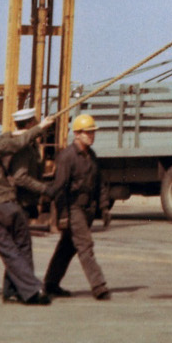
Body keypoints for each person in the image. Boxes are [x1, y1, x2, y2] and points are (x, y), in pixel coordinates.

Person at [0, 113, 50, 305]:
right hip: (4, 205)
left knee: (8, 250)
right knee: (20, 247)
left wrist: (16, 132)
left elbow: (2, 140)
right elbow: (15, 145)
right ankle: (32, 290)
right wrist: (39, 128)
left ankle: (11, 291)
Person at [44, 113, 109, 300]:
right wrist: (63, 216)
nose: (91, 135)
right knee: (85, 244)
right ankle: (99, 286)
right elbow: (60, 188)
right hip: (73, 208)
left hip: (88, 209)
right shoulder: (67, 157)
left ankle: (51, 283)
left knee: (67, 247)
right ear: (77, 134)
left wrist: (104, 208)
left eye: (92, 132)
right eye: (87, 132)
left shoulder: (92, 156)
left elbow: (100, 184)